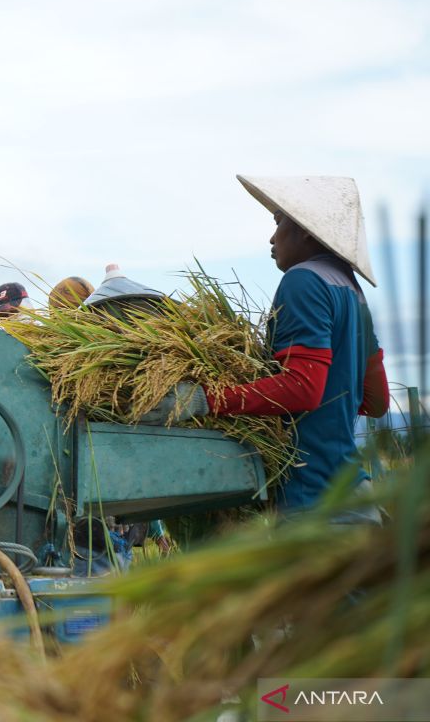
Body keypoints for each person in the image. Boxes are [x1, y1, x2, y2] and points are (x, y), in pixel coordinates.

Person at [143, 175, 390, 519]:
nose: (272, 238)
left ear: (306, 229)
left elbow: (303, 388)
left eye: (278, 222)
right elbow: (377, 401)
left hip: (316, 506)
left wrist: (202, 399)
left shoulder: (304, 280)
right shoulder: (352, 292)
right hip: (355, 496)